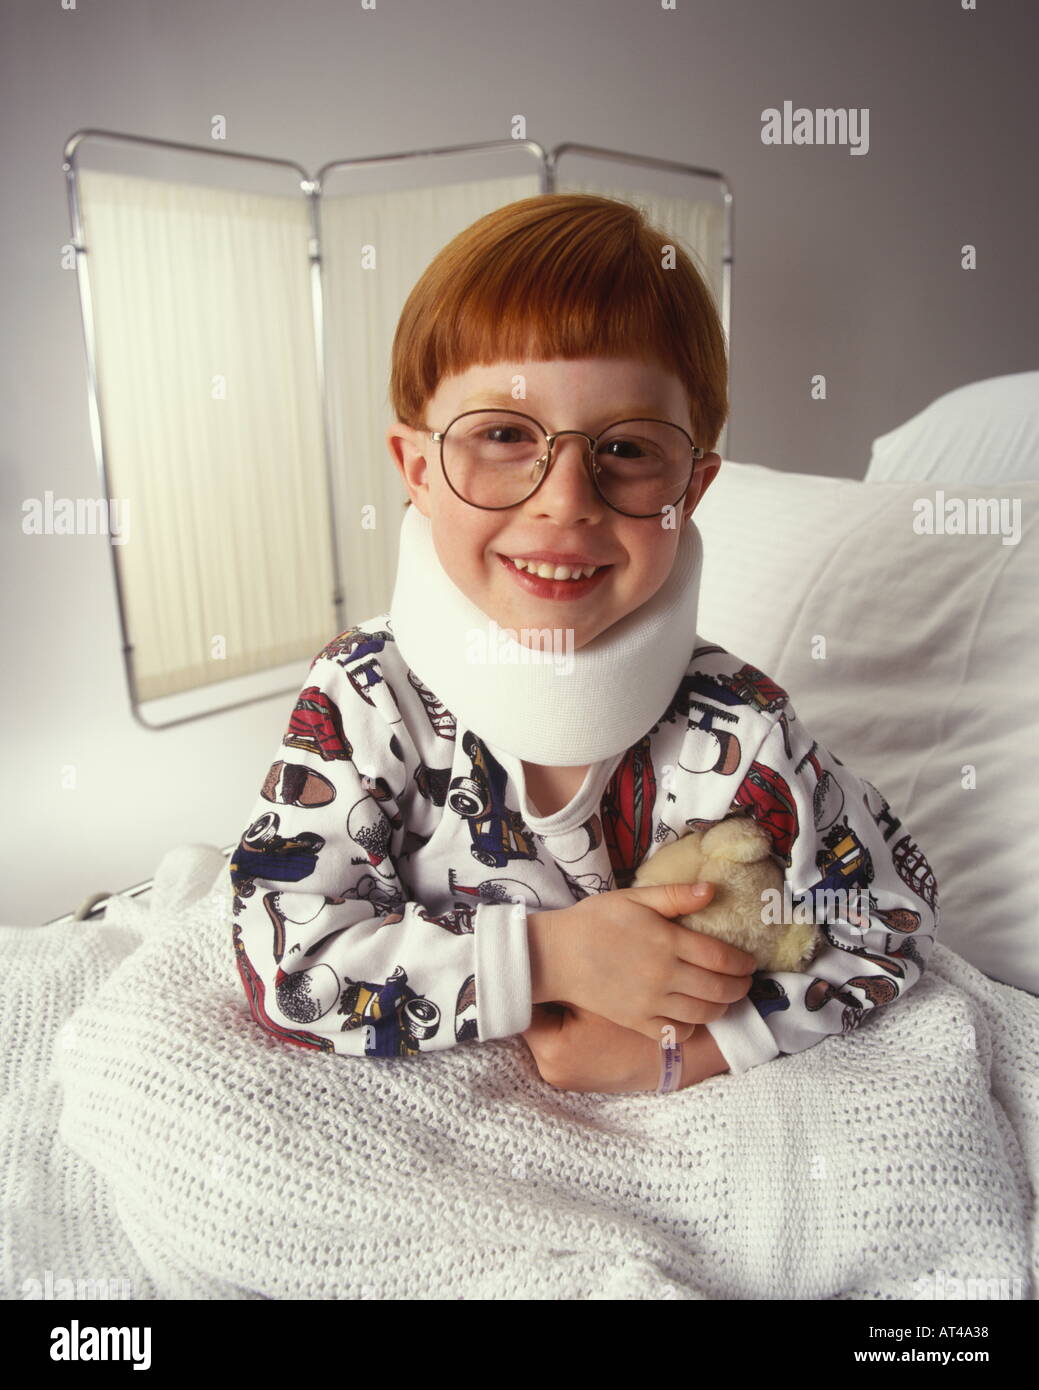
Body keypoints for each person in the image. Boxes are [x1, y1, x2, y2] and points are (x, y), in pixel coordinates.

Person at [229, 193, 938, 1094]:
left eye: (628, 449)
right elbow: (286, 959)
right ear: (416, 471)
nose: (564, 498)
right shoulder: (366, 694)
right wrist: (551, 958)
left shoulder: (745, 727)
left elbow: (889, 919)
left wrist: (690, 1053)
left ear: (694, 486)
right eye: (500, 435)